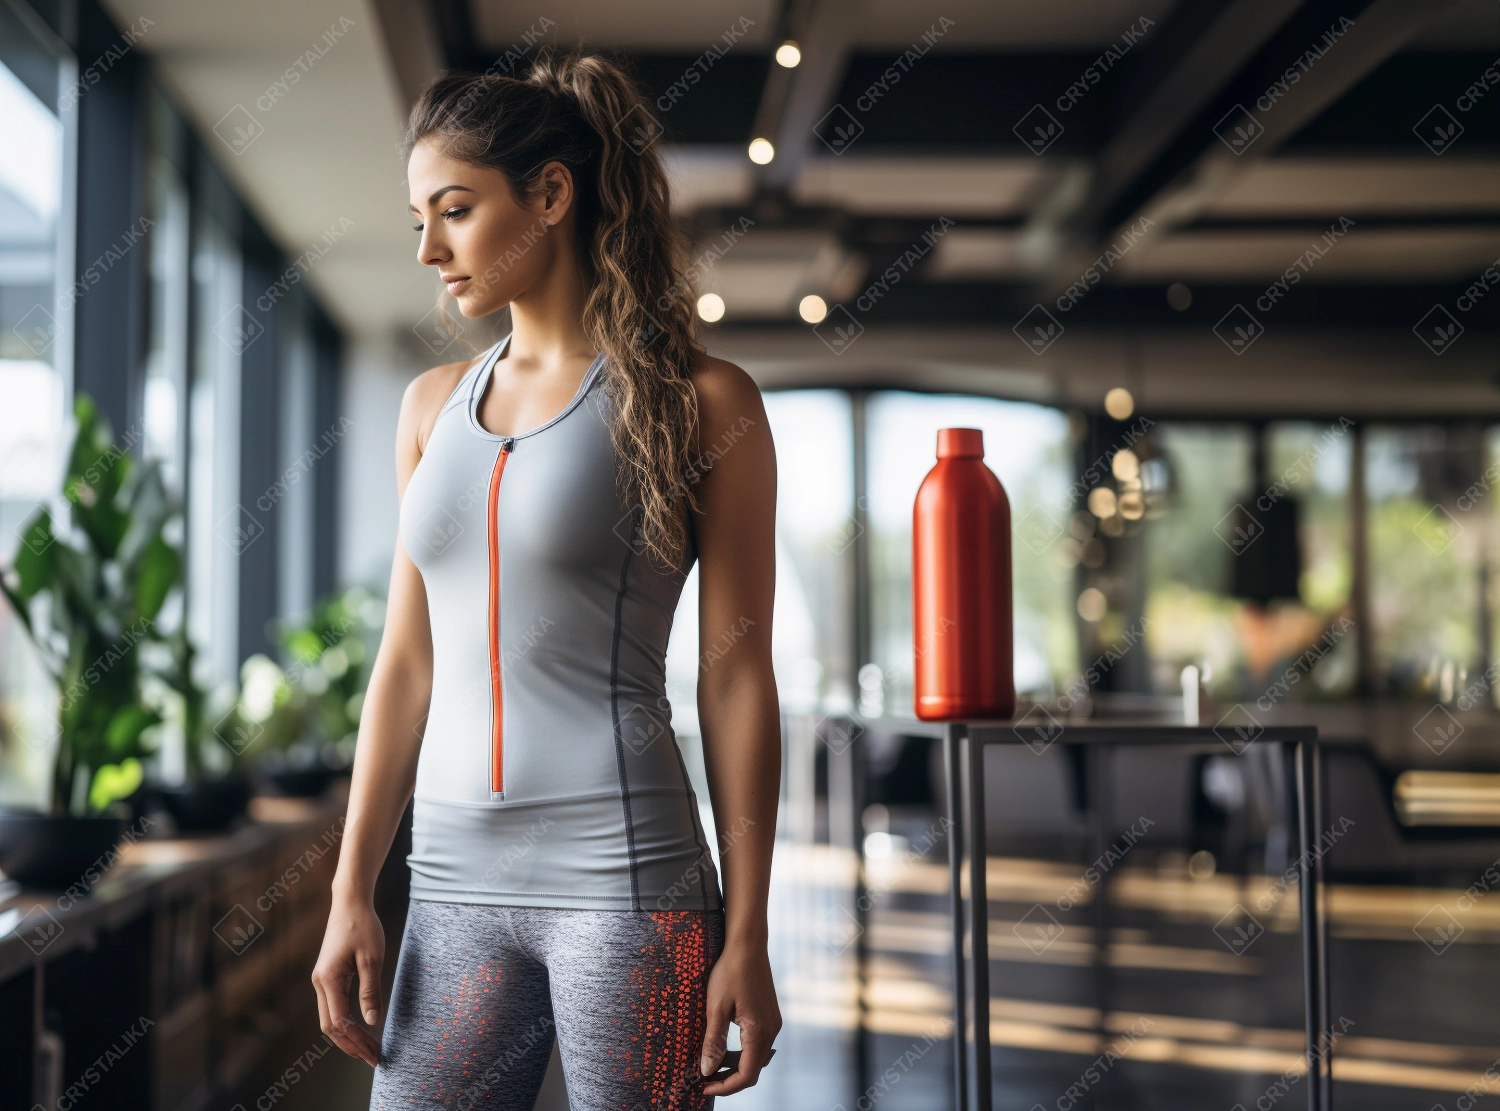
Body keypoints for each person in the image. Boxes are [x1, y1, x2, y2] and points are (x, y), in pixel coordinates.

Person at [311, 49, 782, 1110]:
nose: (429, 248)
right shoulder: (430, 405)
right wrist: (352, 890)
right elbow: (405, 666)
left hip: (631, 894)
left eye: (457, 209)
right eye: (419, 219)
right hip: (449, 891)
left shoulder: (702, 402)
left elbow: (738, 677)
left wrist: (746, 929)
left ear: (551, 196)